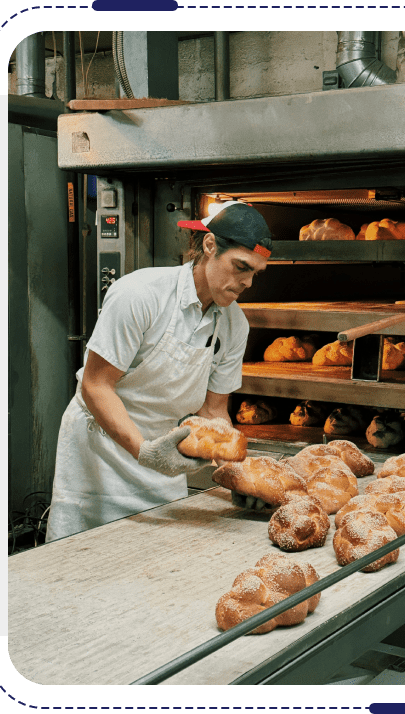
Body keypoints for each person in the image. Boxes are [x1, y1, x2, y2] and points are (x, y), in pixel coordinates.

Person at [45, 201, 273, 542]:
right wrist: (143, 451)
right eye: (241, 266)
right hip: (101, 456)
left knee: (158, 564)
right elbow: (96, 387)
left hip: (163, 457)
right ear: (209, 246)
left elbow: (213, 413)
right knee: (84, 564)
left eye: (255, 272)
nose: (248, 282)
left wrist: (233, 476)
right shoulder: (141, 295)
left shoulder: (233, 324)